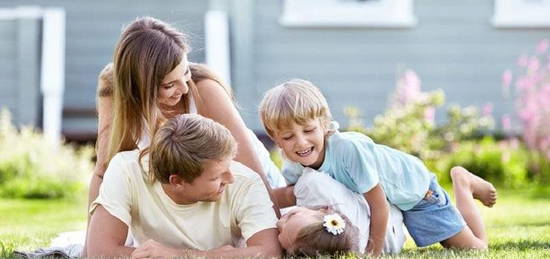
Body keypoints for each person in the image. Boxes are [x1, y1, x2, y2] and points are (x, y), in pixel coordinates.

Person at [259, 79, 498, 256]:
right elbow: (287, 194)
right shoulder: (295, 162)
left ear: (323, 124)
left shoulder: (347, 150)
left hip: (415, 191)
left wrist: (373, 250)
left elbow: (379, 204)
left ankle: (463, 181)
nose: (301, 142)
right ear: (275, 138)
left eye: (309, 131)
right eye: (289, 137)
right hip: (391, 198)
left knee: (474, 248)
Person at [89, 16, 285, 224]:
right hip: (188, 198)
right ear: (139, 87)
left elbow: (251, 171)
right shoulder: (113, 90)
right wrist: (89, 247)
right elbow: (103, 172)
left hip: (247, 184)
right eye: (169, 85)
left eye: (186, 72)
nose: (183, 88)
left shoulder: (204, 89)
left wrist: (274, 226)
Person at [87, 114, 282, 258]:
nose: (230, 177)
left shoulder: (245, 182)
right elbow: (100, 252)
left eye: (228, 164)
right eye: (216, 177)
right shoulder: (126, 170)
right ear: (177, 181)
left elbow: (269, 252)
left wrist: (182, 256)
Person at [276, 169, 406, 256]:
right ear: (325, 209)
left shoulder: (313, 187)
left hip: (391, 233)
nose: (278, 222)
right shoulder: (315, 186)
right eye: (291, 215)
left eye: (280, 233)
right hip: (390, 221)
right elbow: (281, 196)